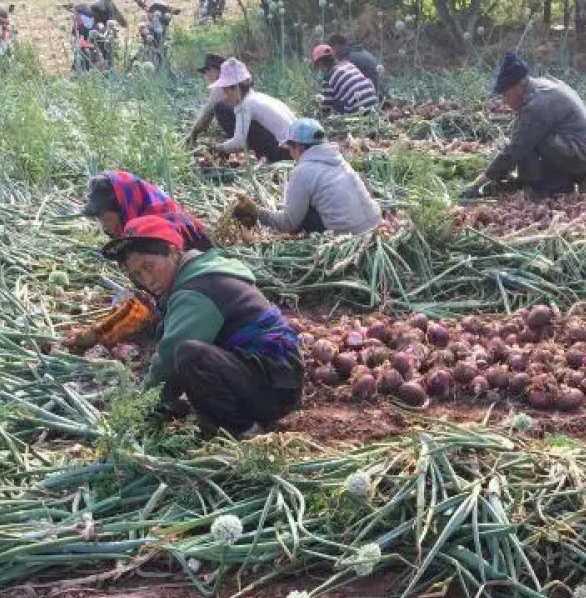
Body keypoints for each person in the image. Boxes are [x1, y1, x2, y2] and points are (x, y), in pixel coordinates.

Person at [104, 216, 303, 437]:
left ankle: (245, 431)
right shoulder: (199, 272)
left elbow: (168, 359)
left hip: (274, 387)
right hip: (277, 376)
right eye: (138, 275)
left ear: (172, 252)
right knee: (184, 369)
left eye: (149, 267)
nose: (147, 280)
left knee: (189, 355)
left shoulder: (196, 291)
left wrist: (138, 411)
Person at [461, 52, 586, 199]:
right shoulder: (538, 87)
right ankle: (534, 183)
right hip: (574, 148)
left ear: (520, 85)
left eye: (506, 94)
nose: (504, 101)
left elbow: (516, 148)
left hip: (581, 155)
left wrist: (479, 182)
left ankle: (549, 189)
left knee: (528, 141)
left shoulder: (537, 104)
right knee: (528, 137)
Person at [239, 118, 381, 236]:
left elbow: (289, 223)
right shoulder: (338, 160)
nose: (290, 154)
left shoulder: (303, 171)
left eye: (290, 148)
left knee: (302, 216)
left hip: (349, 236)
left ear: (298, 147)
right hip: (375, 224)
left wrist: (257, 213)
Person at [83, 170, 212, 251]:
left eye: (105, 218)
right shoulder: (127, 228)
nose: (104, 226)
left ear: (123, 208)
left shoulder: (161, 229)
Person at [211, 57, 295, 163]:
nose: (226, 96)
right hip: (295, 147)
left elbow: (239, 143)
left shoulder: (245, 105)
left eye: (226, 91)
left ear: (236, 88)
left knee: (224, 111)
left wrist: (219, 148)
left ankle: (267, 158)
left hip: (284, 151)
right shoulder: (260, 97)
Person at [311, 43, 377, 115]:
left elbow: (325, 107)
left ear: (320, 63)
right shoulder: (348, 64)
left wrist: (316, 113)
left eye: (317, 66)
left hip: (358, 111)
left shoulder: (328, 78)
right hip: (373, 105)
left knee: (334, 103)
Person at [188, 52, 236, 144]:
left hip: (246, 127)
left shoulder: (221, 86)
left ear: (216, 70)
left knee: (219, 108)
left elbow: (206, 116)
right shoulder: (236, 79)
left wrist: (193, 134)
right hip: (251, 122)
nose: (207, 74)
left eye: (208, 70)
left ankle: (236, 138)